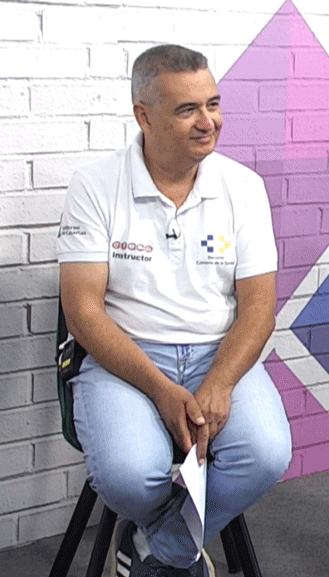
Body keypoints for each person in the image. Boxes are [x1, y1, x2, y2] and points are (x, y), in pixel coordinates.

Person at [56, 44, 291, 577]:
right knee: (129, 475)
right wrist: (162, 389)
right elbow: (84, 314)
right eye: (188, 110)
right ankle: (176, 545)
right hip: (127, 359)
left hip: (219, 353)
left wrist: (222, 382)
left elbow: (258, 307)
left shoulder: (243, 188)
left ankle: (156, 545)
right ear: (144, 115)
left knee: (265, 455)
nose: (208, 122)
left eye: (213, 103)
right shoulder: (94, 187)